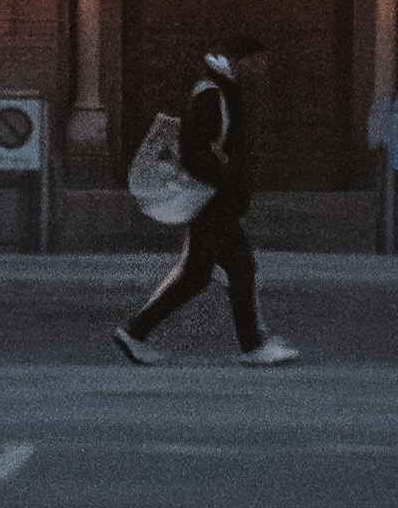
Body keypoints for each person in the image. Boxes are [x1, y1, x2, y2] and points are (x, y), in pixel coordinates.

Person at [115, 49, 296, 364]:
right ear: (241, 61)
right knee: (241, 268)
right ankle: (254, 346)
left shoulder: (220, 91)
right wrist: (223, 182)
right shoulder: (212, 96)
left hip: (212, 198)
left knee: (194, 276)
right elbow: (194, 149)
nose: (263, 68)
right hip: (213, 200)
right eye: (257, 61)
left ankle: (135, 333)